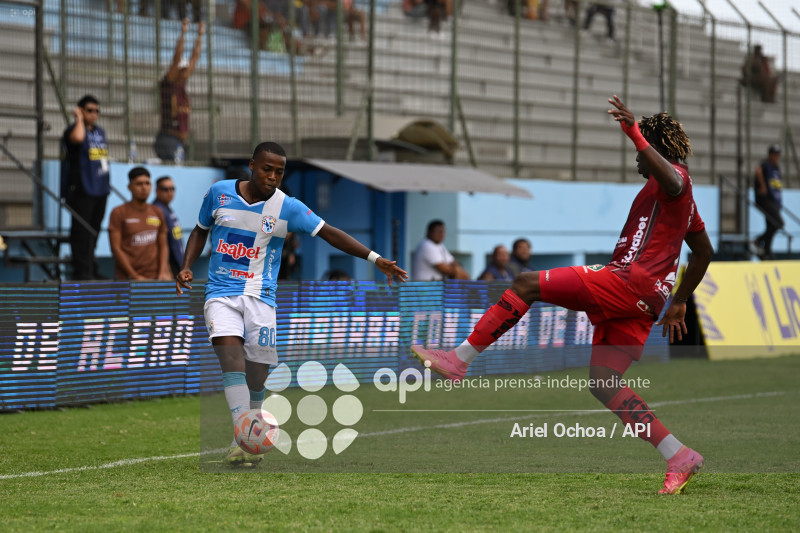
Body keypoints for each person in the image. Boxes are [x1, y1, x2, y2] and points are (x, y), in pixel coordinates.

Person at [411, 95, 714, 495]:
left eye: (643, 149)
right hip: (646, 298)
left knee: (525, 283)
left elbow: (674, 181)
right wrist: (678, 299)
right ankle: (679, 456)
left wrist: (635, 136)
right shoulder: (679, 200)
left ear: (653, 144)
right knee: (605, 383)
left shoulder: (675, 178)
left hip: (628, 282)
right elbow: (705, 251)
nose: (636, 160)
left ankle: (457, 360)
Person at [175, 141, 408, 466]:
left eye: (279, 172)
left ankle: (248, 434)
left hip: (261, 299)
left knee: (256, 377)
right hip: (221, 293)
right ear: (252, 164)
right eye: (267, 169)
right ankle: (242, 436)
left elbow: (330, 233)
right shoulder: (219, 192)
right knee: (230, 359)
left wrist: (375, 258)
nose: (272, 176)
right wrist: (187, 265)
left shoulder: (288, 207)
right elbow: (200, 231)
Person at [60, 94, 110, 280]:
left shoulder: (100, 132)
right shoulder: (74, 129)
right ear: (80, 110)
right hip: (82, 189)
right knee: (81, 231)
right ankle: (81, 269)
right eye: (89, 110)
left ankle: (90, 265)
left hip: (101, 189)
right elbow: (78, 138)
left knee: (94, 230)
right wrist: (78, 119)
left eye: (97, 111)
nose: (94, 114)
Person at [154, 18, 204, 163]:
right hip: (168, 139)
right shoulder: (168, 85)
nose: (186, 71)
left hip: (180, 141)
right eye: (182, 70)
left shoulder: (183, 88)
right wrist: (183, 33)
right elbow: (176, 59)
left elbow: (194, 59)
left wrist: (199, 36)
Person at [108, 167, 171, 281]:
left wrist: (162, 273)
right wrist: (135, 276)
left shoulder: (157, 212)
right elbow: (115, 248)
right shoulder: (118, 212)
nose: (144, 188)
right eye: (139, 184)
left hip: (155, 278)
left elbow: (163, 246)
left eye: (147, 183)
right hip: (127, 280)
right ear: (129, 187)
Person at [752, 144, 784, 260]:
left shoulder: (776, 168)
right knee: (779, 223)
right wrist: (763, 186)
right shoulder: (765, 165)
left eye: (778, 155)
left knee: (771, 225)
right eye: (774, 155)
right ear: (770, 155)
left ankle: (766, 251)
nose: (776, 157)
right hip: (765, 200)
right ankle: (758, 240)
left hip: (773, 202)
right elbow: (758, 171)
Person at [152, 176, 186, 276]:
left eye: (172, 189)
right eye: (165, 189)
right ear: (157, 191)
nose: (169, 192)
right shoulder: (157, 210)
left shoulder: (167, 209)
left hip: (177, 262)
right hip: (170, 266)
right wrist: (166, 268)